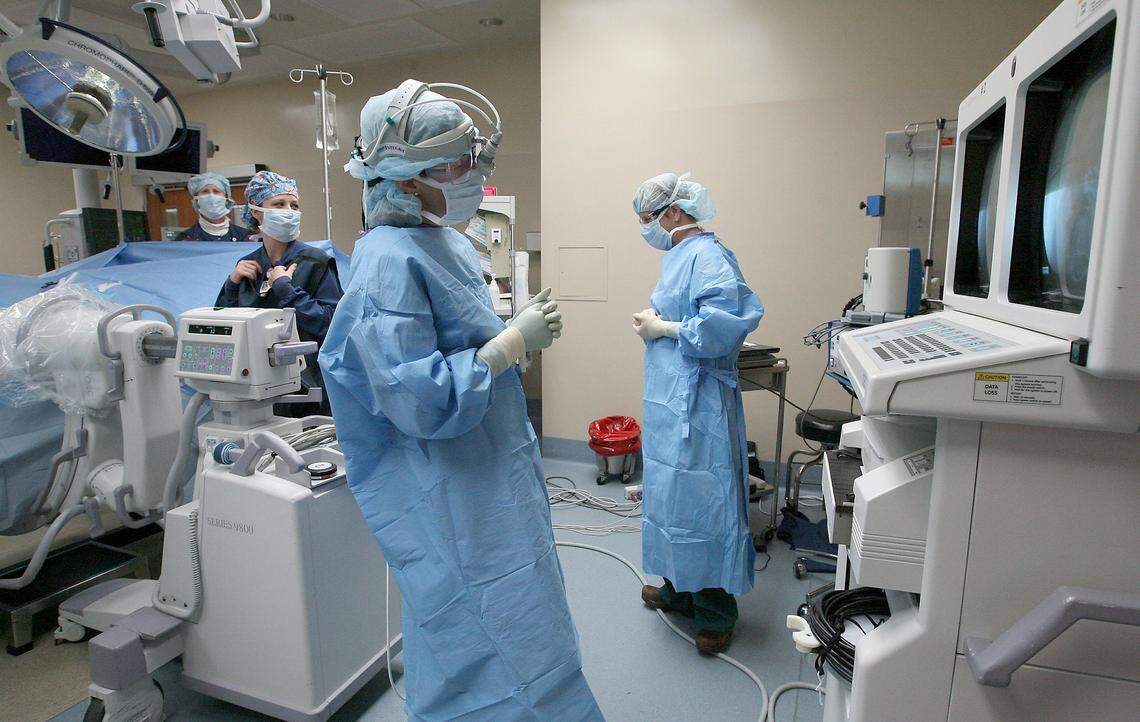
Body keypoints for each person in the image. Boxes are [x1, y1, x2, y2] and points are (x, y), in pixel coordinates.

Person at [319, 80, 602, 721]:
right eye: (451, 165)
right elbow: (417, 400)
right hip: (450, 489)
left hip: (493, 473)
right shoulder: (386, 262)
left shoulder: (442, 240)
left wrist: (508, 334)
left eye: (471, 159)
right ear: (402, 175)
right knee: (478, 632)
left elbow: (462, 337)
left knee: (525, 620)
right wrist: (505, 349)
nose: (469, 176)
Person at [630, 172, 763, 655]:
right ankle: (677, 591)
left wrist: (662, 327)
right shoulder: (679, 257)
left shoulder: (708, 256)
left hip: (700, 402)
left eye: (648, 218)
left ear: (673, 213)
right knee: (668, 497)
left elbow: (723, 326)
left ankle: (714, 611)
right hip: (670, 400)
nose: (645, 227)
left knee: (703, 505)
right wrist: (659, 326)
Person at [215, 171, 341, 415]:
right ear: (255, 211)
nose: (289, 211)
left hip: (308, 389)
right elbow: (224, 326)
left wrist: (285, 288)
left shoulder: (315, 262)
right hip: (255, 388)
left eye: (294, 205)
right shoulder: (248, 265)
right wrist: (231, 284)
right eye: (279, 204)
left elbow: (332, 325)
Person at [173, 172, 252, 242]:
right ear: (196, 200)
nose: (211, 196)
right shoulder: (186, 239)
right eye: (205, 191)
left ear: (227, 199)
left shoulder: (245, 237)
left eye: (216, 191)